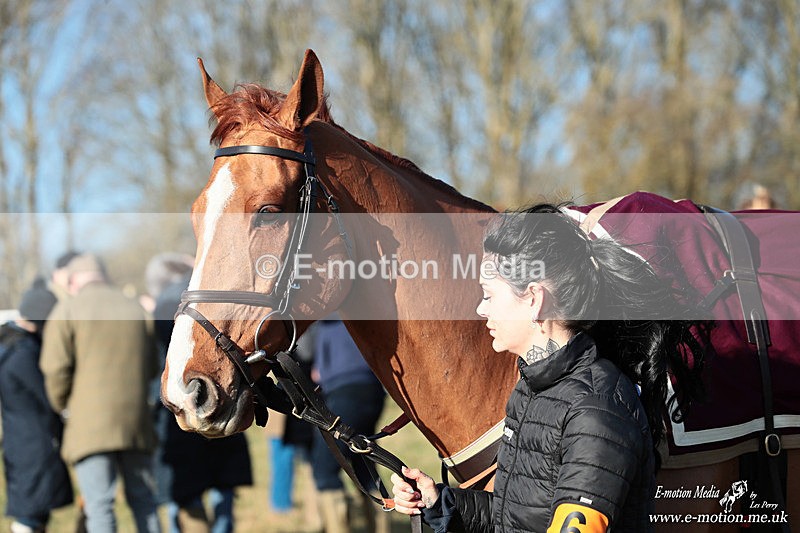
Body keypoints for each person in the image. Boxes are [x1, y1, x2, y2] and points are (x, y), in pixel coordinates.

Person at [391, 204, 709, 532]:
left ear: (533, 299)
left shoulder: (596, 410)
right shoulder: (532, 388)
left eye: (488, 296)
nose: (480, 309)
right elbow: (514, 516)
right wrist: (439, 502)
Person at [40, 253, 162, 533]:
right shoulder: (135, 308)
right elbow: (153, 366)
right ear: (103, 276)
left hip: (88, 427)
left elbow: (55, 369)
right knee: (145, 502)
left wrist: (64, 406)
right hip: (136, 423)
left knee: (99, 507)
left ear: (73, 282)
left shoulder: (67, 312)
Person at [147, 252, 253, 533]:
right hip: (219, 398)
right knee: (222, 484)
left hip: (181, 407)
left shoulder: (164, 308)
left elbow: (158, 362)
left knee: (184, 491)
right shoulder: (212, 296)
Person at [0, 279, 73, 533]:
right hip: (32, 444)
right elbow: (48, 394)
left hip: (23, 440)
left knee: (35, 512)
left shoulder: (13, 345)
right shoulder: (23, 353)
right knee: (30, 515)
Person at [310, 317, 389, 533]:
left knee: (324, 471)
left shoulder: (325, 322)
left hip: (343, 394)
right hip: (373, 391)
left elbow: (316, 372)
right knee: (363, 463)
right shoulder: (356, 315)